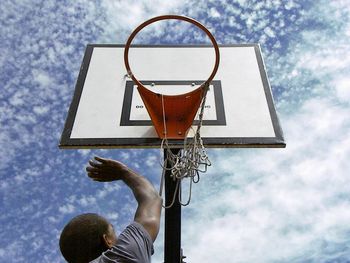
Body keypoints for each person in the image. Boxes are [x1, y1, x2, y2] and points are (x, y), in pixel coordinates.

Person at [59, 156, 162, 263]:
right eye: (113, 231)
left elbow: (152, 200)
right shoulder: (125, 255)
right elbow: (151, 199)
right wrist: (124, 172)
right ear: (107, 240)